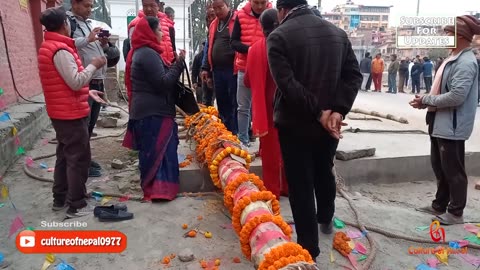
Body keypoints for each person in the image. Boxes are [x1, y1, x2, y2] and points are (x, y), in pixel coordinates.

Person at [267, 0, 362, 260]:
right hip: (329, 125)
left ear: (281, 10)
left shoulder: (278, 36)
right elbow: (353, 76)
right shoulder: (338, 34)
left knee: (300, 184)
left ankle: (309, 249)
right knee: (324, 170)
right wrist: (337, 111)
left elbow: (287, 85)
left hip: (295, 124)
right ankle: (326, 218)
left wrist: (319, 113)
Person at [410, 15, 480, 225]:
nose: (445, 37)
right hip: (439, 120)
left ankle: (456, 212)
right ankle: (439, 205)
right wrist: (425, 102)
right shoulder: (452, 58)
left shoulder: (466, 62)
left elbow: (457, 96)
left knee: (453, 169)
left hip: (452, 125)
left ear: (461, 36)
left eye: (449, 34)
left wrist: (427, 99)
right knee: (440, 166)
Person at [38, 7, 107, 217]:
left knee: (64, 155)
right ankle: (76, 204)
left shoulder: (49, 46)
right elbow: (75, 82)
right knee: (78, 158)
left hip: (62, 109)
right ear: (64, 25)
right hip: (70, 113)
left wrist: (90, 90)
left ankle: (60, 198)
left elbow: (65, 84)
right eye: (68, 23)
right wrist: (93, 66)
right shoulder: (60, 50)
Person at [123, 17, 186, 201]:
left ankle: (159, 190)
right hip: (152, 113)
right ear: (150, 32)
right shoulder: (147, 54)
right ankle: (157, 191)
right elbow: (163, 83)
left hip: (152, 111)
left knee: (157, 151)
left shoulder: (145, 52)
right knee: (157, 152)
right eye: (159, 30)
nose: (161, 34)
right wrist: (179, 64)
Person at [244, 9, 287, 198]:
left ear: (261, 27)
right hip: (288, 103)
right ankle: (288, 187)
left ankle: (272, 190)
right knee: (288, 148)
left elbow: (247, 81)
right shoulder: (287, 44)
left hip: (267, 107)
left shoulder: (255, 49)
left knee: (270, 150)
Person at [68, 0, 113, 177]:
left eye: (91, 6)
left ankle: (85, 159)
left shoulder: (87, 24)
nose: (89, 9)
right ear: (74, 3)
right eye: (86, 5)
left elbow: (91, 47)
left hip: (97, 80)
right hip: (84, 80)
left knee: (90, 125)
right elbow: (67, 45)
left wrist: (102, 43)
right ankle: (80, 165)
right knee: (82, 126)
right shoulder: (67, 22)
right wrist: (87, 39)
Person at [231, 0, 272, 147]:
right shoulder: (240, 16)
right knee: (243, 107)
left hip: (267, 69)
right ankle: (243, 140)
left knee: (267, 106)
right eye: (256, 3)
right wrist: (251, 50)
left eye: (263, 2)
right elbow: (233, 41)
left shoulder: (272, 15)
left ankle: (264, 143)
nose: (260, 6)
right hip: (244, 67)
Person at [201, 0, 238, 133]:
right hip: (217, 70)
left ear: (228, 5)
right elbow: (209, 47)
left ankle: (235, 133)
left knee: (234, 102)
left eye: (220, 7)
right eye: (215, 8)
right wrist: (206, 68)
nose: (217, 11)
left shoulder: (237, 20)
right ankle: (225, 132)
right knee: (222, 102)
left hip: (233, 69)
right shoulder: (213, 25)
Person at [127, 0, 175, 68]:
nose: (148, 9)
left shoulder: (166, 23)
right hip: (150, 69)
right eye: (145, 6)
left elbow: (171, 46)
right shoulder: (136, 25)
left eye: (152, 5)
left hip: (168, 67)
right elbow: (135, 50)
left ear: (158, 6)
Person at [199, 5, 217, 106]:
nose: (210, 20)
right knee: (206, 102)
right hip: (207, 72)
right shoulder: (209, 34)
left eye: (212, 16)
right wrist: (205, 70)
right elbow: (207, 54)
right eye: (207, 18)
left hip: (217, 72)